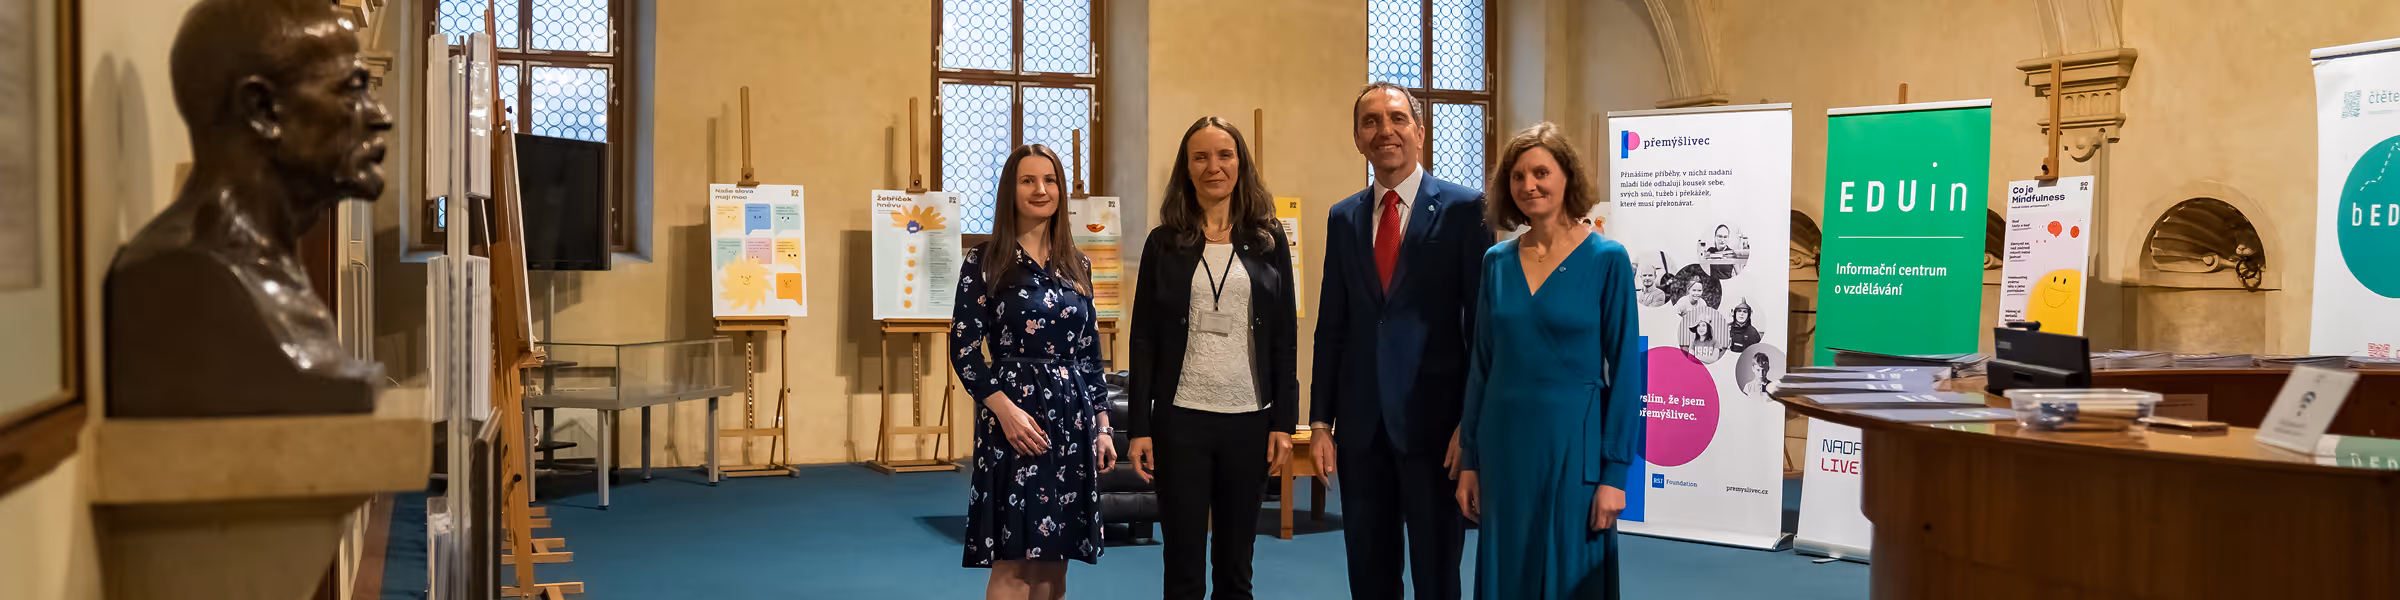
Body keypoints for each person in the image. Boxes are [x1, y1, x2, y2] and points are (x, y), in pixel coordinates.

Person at [1310, 82, 1494, 600]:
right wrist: (1321, 422)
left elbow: (1482, 329)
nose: (1384, 130)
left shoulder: (1465, 210)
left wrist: (1470, 424)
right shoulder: (1343, 217)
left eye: (1396, 118)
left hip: (1437, 432)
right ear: (1357, 138)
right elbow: (1332, 325)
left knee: (1437, 578)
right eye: (1370, 122)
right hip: (1362, 431)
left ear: (1419, 131)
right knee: (1369, 577)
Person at [1456, 122, 1643, 599]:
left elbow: (1626, 370)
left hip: (1574, 448)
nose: (1529, 185)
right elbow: (1481, 365)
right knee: (1509, 575)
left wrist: (1615, 474)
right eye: (1518, 176)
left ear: (1567, 177)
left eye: (1541, 172)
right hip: (1504, 447)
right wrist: (1470, 460)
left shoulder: (1607, 258)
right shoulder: (1496, 261)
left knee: (1572, 576)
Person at [1123, 117, 1301, 600]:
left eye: (1224, 155)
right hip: (1181, 421)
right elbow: (1143, 340)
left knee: (1235, 569)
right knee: (1183, 568)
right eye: (1200, 157)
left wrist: (1284, 422)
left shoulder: (1268, 240)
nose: (1213, 167)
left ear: (1241, 164)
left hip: (1249, 420)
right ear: (1186, 167)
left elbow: (1284, 336)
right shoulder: (1163, 243)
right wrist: (1139, 426)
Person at [950, 144, 1116, 600]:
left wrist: (1103, 426)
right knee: (1014, 563)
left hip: (1073, 421)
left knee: (1054, 565)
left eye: (1050, 180)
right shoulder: (984, 261)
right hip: (1013, 420)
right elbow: (964, 350)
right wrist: (1004, 412)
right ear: (1011, 190)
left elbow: (1089, 352)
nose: (1041, 189)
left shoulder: (1077, 263)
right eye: (1028, 180)